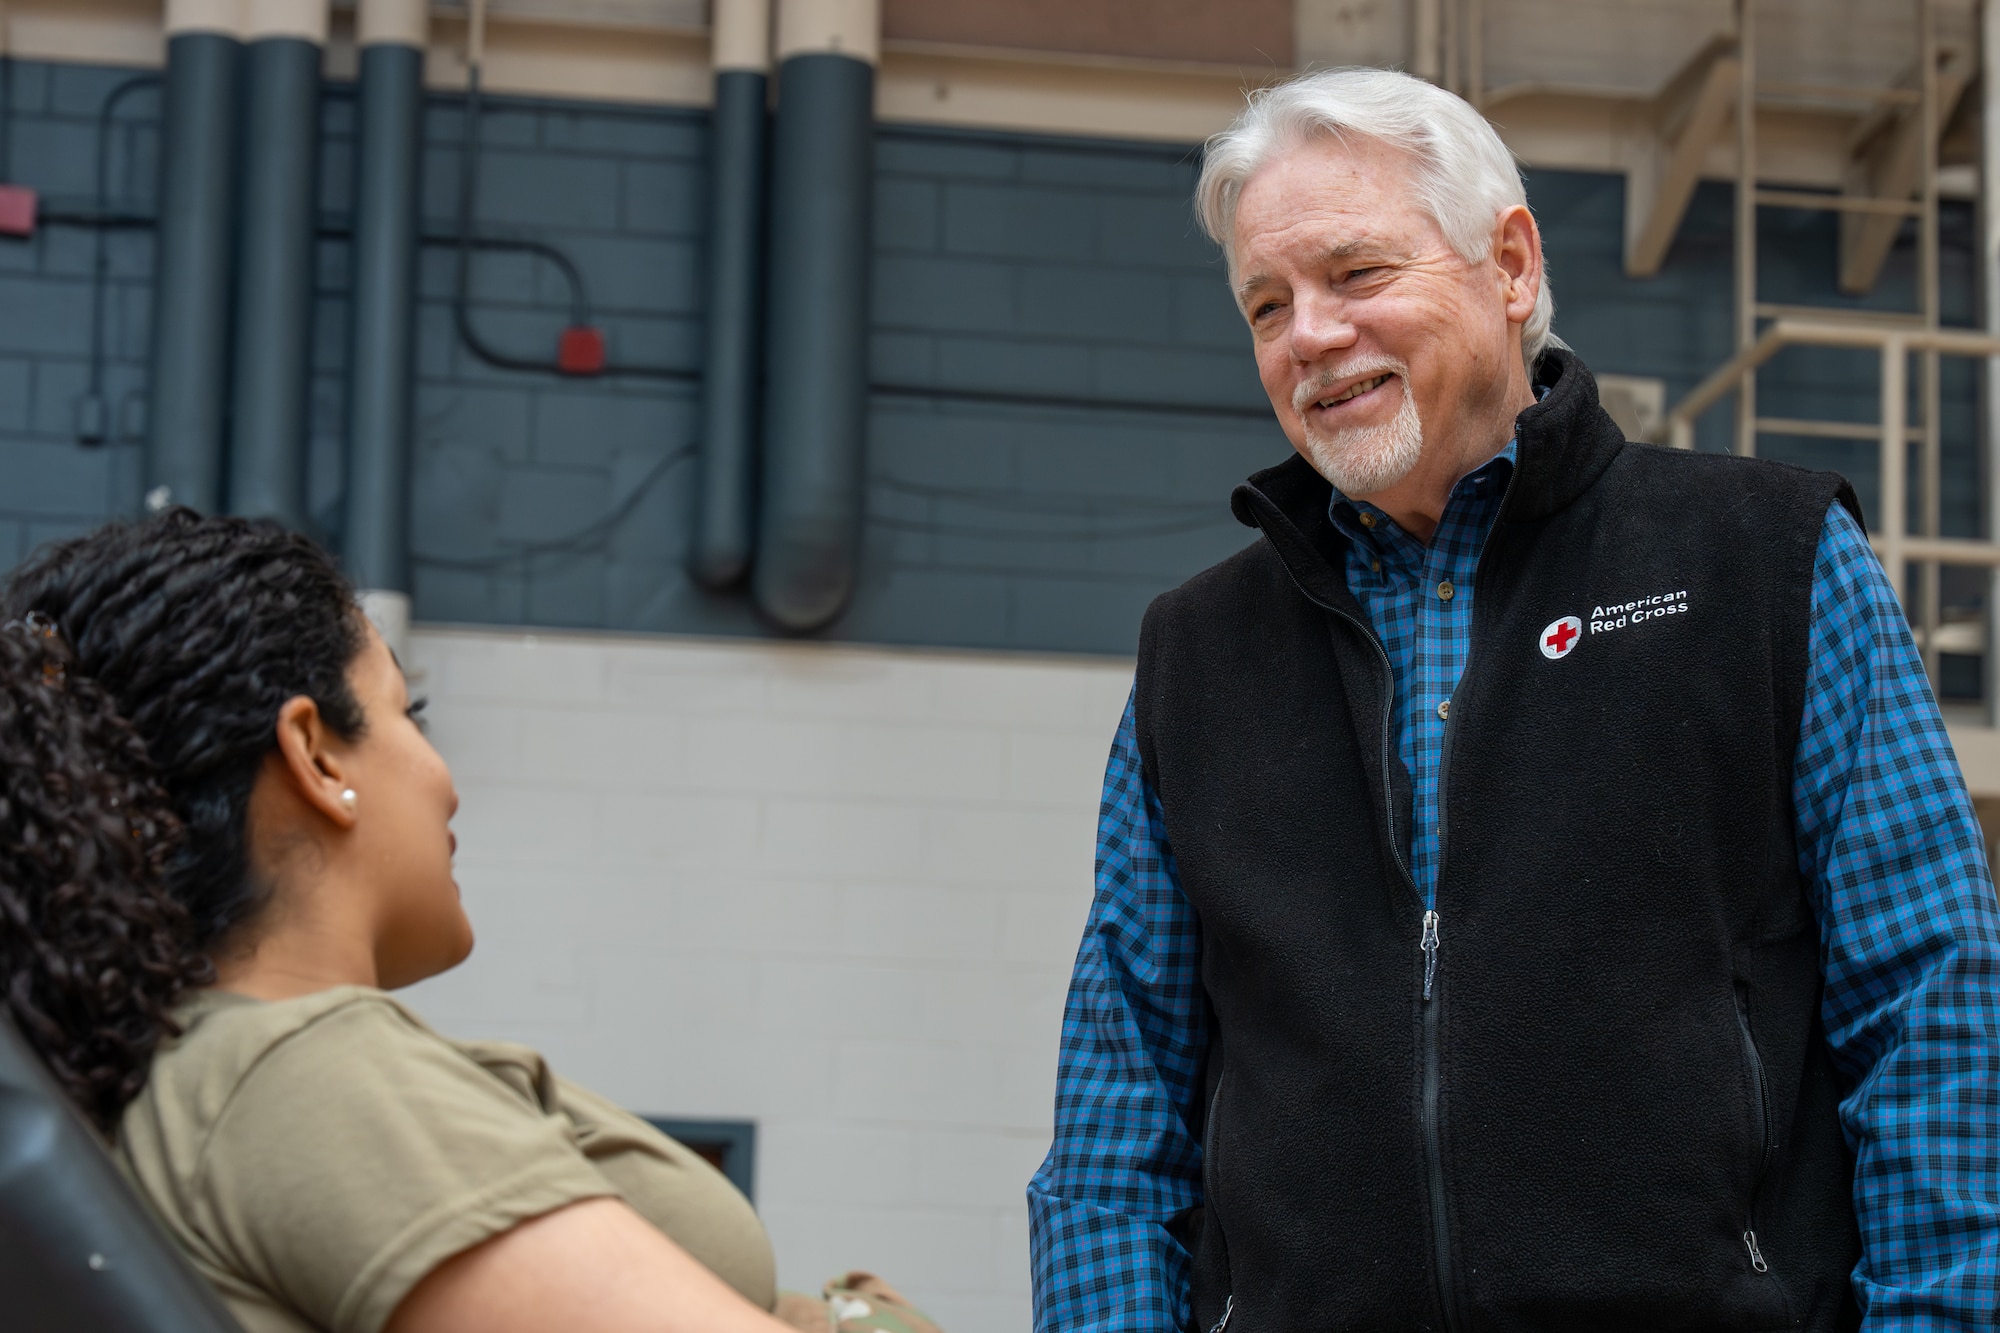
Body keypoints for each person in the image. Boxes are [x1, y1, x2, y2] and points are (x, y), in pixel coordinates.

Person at [1027, 66, 2000, 1332]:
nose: (1308, 335)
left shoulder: (1765, 560)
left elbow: (1931, 1004)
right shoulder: (1195, 654)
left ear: (1511, 265)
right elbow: (1120, 1108)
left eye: (1356, 275)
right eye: (1267, 304)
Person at [0, 511, 941, 1333]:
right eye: (410, 713)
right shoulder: (303, 1072)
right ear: (317, 757)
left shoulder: (177, 1078)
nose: (447, 783)